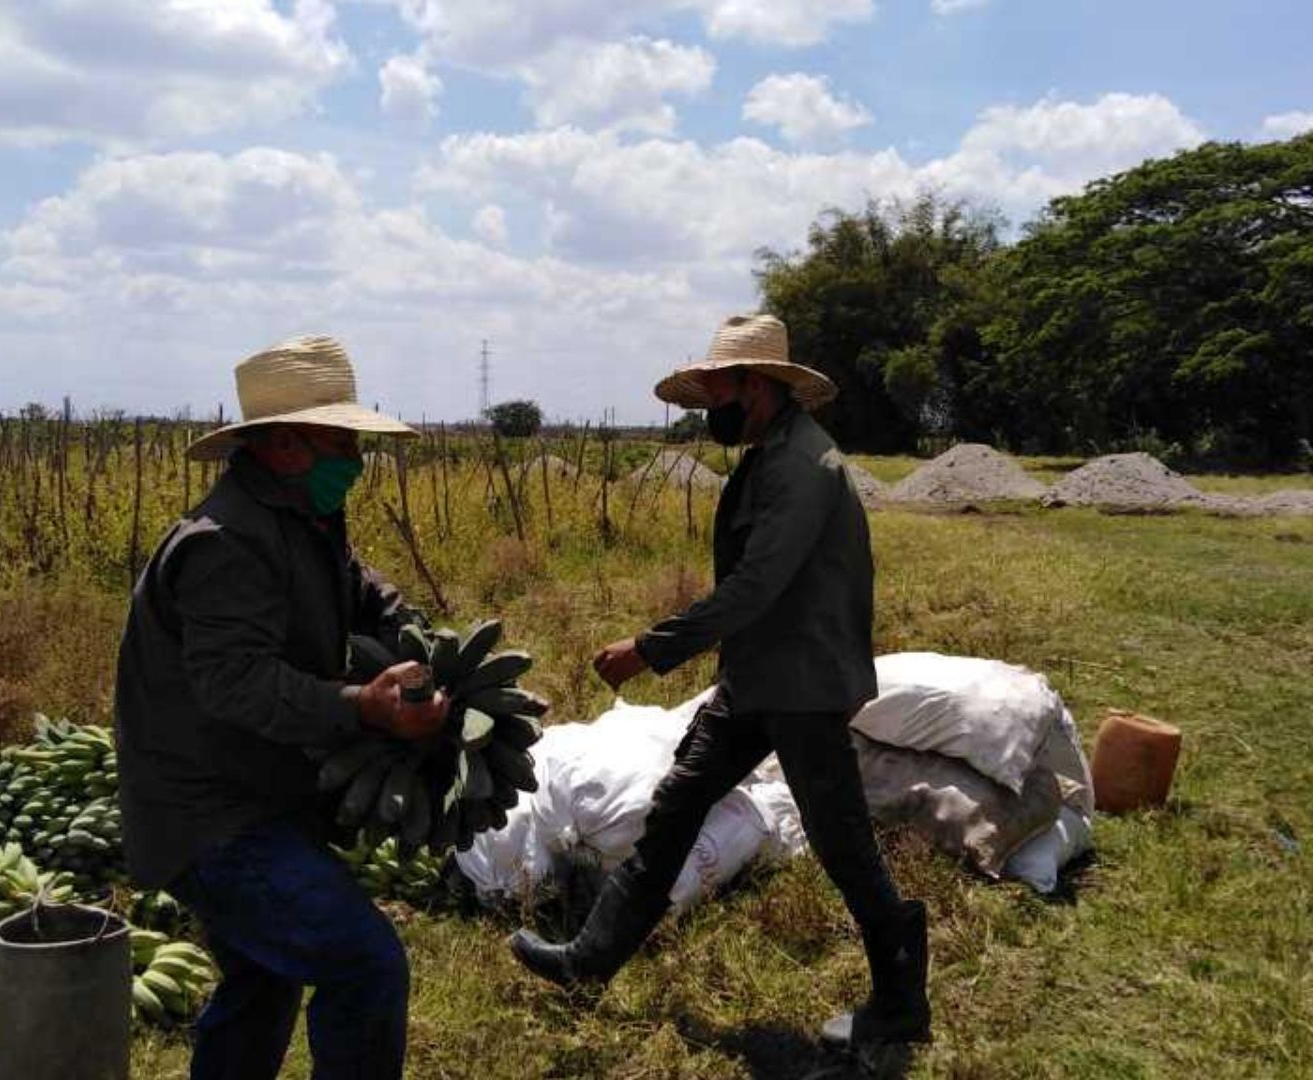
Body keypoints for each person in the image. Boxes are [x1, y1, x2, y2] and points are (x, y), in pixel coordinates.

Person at [508, 314, 932, 1052]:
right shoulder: (767, 455)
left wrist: (650, 648)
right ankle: (589, 961)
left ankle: (900, 999)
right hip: (758, 678)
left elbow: (755, 586)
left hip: (800, 684)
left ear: (756, 386)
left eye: (716, 394)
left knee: (841, 841)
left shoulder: (803, 466)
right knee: (675, 807)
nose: (710, 411)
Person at [113, 335, 448, 1080]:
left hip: (259, 795)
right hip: (211, 819)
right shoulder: (226, 543)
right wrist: (366, 705)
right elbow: (235, 682)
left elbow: (362, 590)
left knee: (264, 979)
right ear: (287, 443)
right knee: (365, 963)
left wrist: (419, 640)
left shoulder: (300, 516)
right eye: (341, 440)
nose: (355, 459)